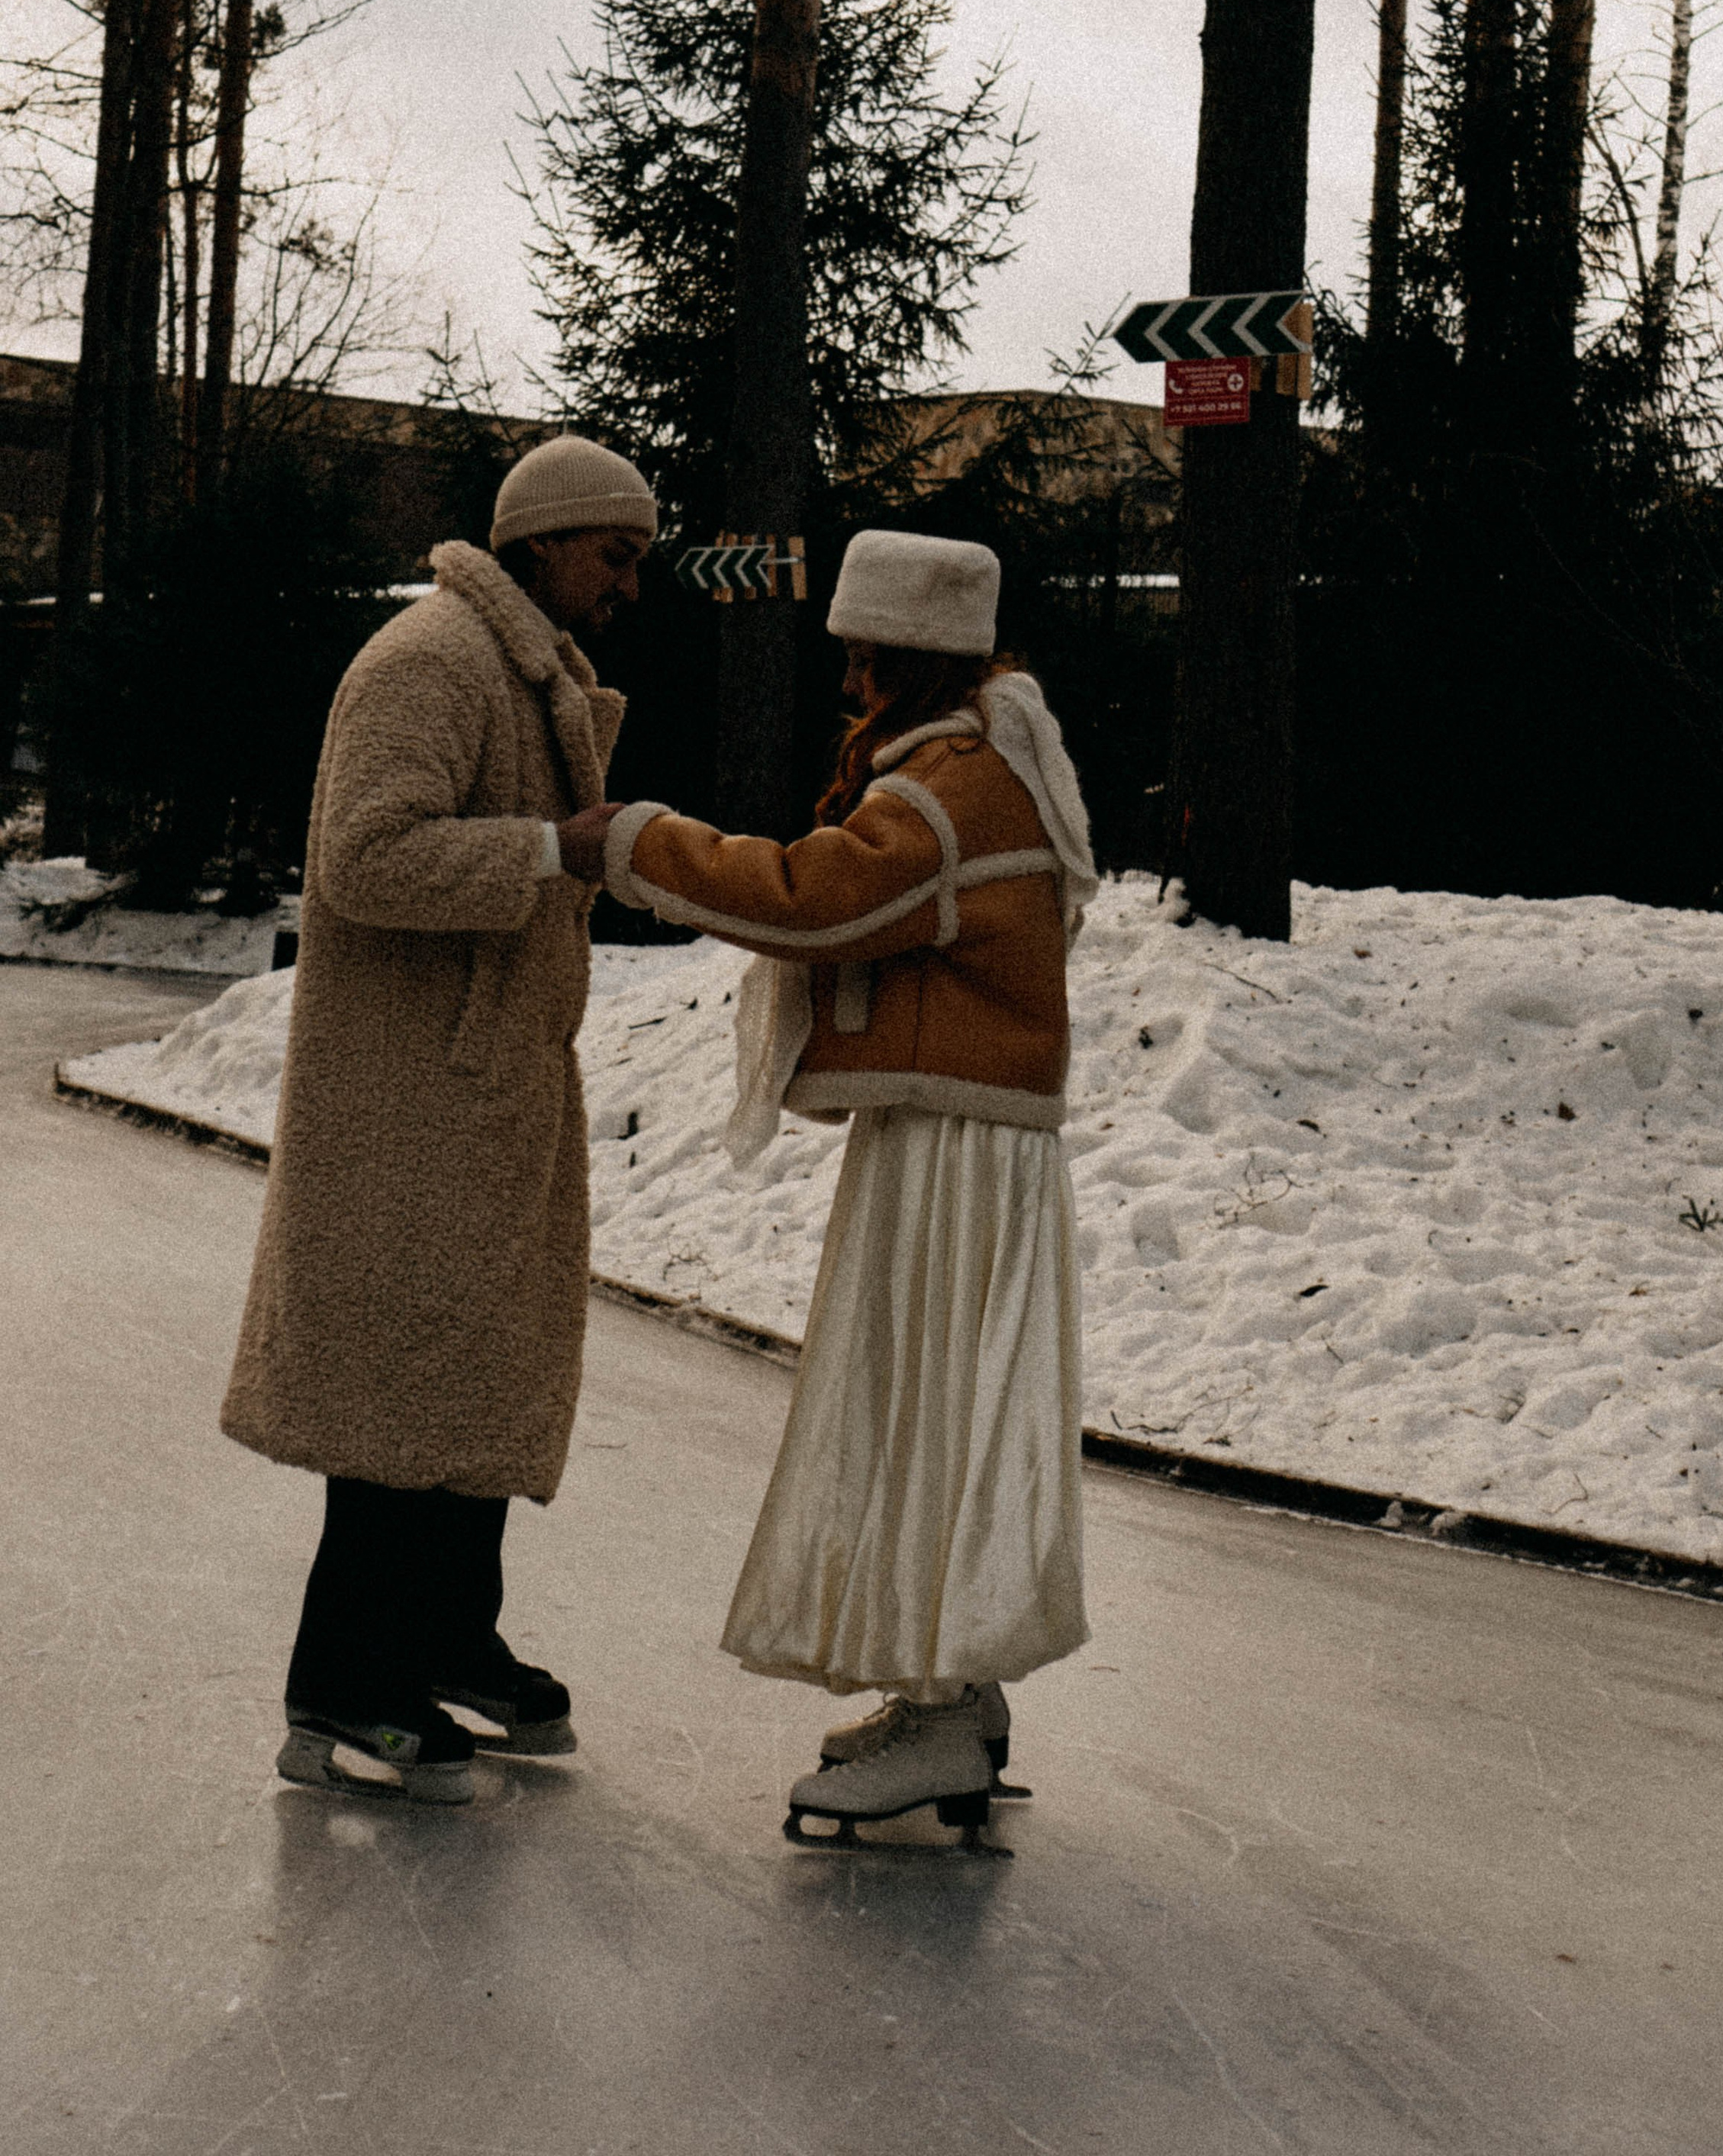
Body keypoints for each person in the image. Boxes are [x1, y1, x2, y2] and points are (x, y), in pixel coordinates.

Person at [602, 529, 1097, 1845]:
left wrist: (640, 843)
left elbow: (812, 900)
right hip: (962, 1142)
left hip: (953, 1154)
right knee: (935, 1407)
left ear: (909, 657)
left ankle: (939, 1715)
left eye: (866, 658)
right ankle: (956, 1694)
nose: (849, 683)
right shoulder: (997, 760)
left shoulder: (946, 793)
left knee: (920, 1412)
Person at [220, 433, 655, 1803]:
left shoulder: (521, 673)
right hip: (408, 1102)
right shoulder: (430, 664)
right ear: (541, 544)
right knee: (399, 1391)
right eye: (613, 554)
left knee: (476, 1375)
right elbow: (363, 860)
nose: (629, 585)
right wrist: (547, 850)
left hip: (482, 1092)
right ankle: (342, 1677)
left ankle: (448, 1636)